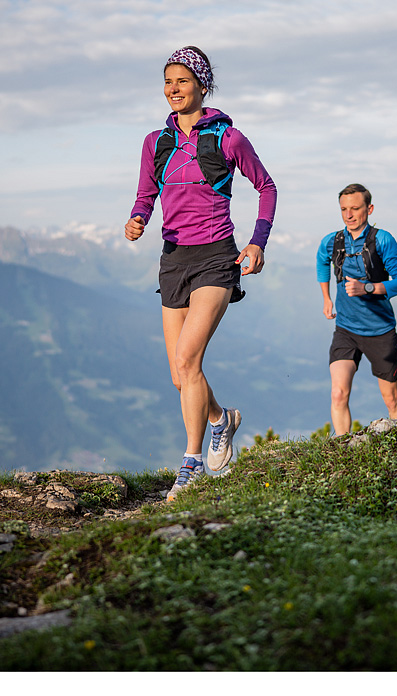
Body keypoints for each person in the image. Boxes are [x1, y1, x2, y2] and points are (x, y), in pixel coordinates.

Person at [125, 46, 277, 500]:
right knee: (180, 374)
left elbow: (266, 187)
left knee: (189, 359)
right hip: (173, 259)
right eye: (168, 82)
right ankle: (219, 419)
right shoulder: (155, 142)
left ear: (202, 85)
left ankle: (189, 466)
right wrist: (137, 218)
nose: (173, 89)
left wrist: (257, 242)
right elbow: (146, 194)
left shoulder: (229, 138)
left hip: (215, 257)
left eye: (182, 81)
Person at [316, 184, 397, 435]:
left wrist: (367, 288)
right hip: (346, 330)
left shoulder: (383, 240)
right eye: (344, 209)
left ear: (369, 209)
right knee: (338, 393)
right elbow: (321, 261)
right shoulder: (332, 241)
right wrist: (326, 298)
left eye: (355, 208)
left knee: (391, 399)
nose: (349, 215)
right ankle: (342, 448)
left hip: (380, 331)